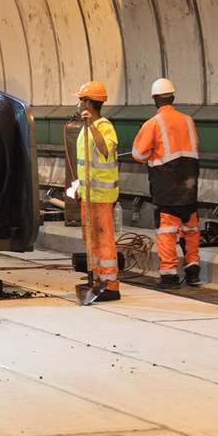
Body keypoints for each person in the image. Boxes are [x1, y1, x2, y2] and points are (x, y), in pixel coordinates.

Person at [132, 78, 201, 287]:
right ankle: (193, 269)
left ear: (155, 99)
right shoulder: (189, 120)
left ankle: (169, 274)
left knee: (167, 230)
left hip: (167, 183)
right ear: (173, 96)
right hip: (189, 181)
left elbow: (138, 154)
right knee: (190, 227)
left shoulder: (153, 123)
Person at [75, 81, 120, 302]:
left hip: (102, 196)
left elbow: (104, 150)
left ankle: (111, 284)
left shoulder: (103, 126)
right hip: (88, 195)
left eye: (81, 99)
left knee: (104, 241)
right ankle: (96, 278)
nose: (78, 103)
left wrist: (92, 125)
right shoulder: (83, 130)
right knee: (91, 240)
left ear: (88, 103)